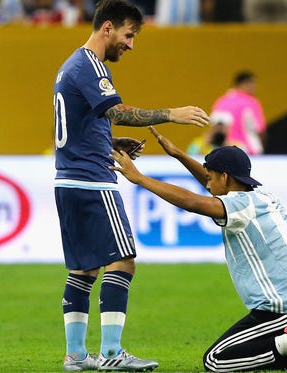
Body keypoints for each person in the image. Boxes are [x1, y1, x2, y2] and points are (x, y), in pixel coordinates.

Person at [110, 126, 287, 373]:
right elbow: (207, 182)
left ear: (225, 177)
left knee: (216, 360)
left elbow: (193, 202)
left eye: (212, 176)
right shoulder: (260, 197)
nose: (207, 182)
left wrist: (139, 178)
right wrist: (179, 154)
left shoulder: (240, 205)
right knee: (232, 352)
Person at [52, 0, 211, 371]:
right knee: (123, 261)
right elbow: (117, 111)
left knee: (84, 270)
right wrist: (172, 114)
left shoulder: (69, 66)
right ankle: (111, 353)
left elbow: (77, 122)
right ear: (107, 28)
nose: (131, 44)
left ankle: (75, 355)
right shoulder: (91, 66)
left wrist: (109, 143)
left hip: (69, 178)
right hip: (93, 182)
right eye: (129, 35)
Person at [211, 71, 267, 155]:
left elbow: (215, 130)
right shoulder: (251, 102)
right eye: (253, 83)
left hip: (224, 152)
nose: (255, 86)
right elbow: (260, 129)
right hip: (249, 152)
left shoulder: (221, 101)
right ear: (244, 84)